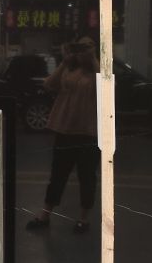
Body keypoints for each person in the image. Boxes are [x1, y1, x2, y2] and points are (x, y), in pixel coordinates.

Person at [26, 39, 101, 234]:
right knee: (57, 176)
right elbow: (49, 84)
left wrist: (93, 59)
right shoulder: (68, 69)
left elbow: (108, 86)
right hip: (65, 131)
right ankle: (45, 215)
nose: (81, 52)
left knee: (87, 178)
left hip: (89, 133)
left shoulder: (97, 71)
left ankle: (83, 219)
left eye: (86, 48)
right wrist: (64, 62)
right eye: (79, 48)